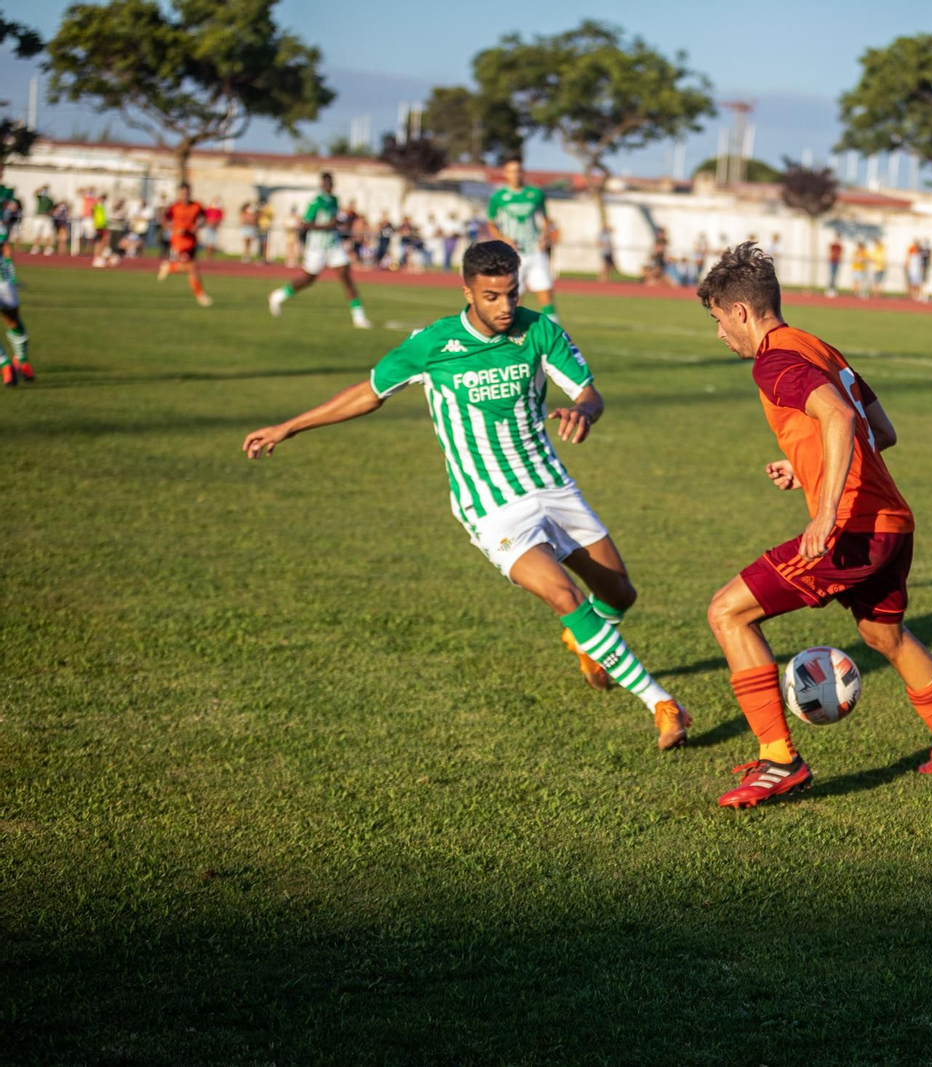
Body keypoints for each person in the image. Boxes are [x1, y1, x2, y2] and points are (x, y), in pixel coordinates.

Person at [242, 239, 691, 748]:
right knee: (562, 595)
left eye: (511, 295)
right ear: (468, 292)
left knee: (618, 594)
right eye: (492, 296)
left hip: (550, 484)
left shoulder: (540, 329)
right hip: (492, 506)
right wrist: (290, 426)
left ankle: (589, 641)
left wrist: (583, 412)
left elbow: (588, 392)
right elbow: (369, 392)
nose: (504, 307)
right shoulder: (432, 345)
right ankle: (662, 703)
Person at [697, 242, 932, 808]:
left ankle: (779, 761)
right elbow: (882, 430)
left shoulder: (773, 359)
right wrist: (807, 467)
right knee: (883, 635)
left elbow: (840, 416)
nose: (719, 334)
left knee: (727, 612)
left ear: (740, 312)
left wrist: (825, 510)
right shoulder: (818, 346)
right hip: (891, 520)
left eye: (717, 320)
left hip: (853, 527)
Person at [267, 173, 371, 329]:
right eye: (326, 183)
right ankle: (278, 295)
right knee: (308, 279)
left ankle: (358, 316)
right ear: (322, 185)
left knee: (346, 276)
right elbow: (305, 223)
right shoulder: (316, 202)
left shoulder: (335, 201)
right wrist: (326, 226)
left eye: (331, 183)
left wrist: (337, 223)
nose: (328, 186)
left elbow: (335, 221)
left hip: (333, 245)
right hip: (317, 246)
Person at [485, 159, 556, 320]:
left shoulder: (535, 194)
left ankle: (554, 333)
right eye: (511, 171)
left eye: (518, 170)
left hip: (535, 251)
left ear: (523, 173)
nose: (515, 174)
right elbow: (491, 224)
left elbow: (546, 220)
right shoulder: (498, 197)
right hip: (513, 254)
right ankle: (516, 335)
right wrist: (503, 239)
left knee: (546, 294)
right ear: (505, 174)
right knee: (514, 296)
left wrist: (545, 237)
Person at [0, 174, 33, 385]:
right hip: (3, 282)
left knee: (14, 322)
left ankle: (7, 365)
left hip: (2, 280)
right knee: (14, 322)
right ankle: (19, 362)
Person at [157, 183, 212, 307]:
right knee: (191, 267)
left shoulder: (196, 206)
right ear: (178, 194)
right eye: (182, 193)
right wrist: (173, 229)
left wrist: (198, 226)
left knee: (192, 268)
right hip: (179, 241)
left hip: (191, 240)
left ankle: (169, 267)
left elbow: (204, 219)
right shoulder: (174, 207)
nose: (184, 195)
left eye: (186, 193)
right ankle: (200, 295)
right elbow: (164, 220)